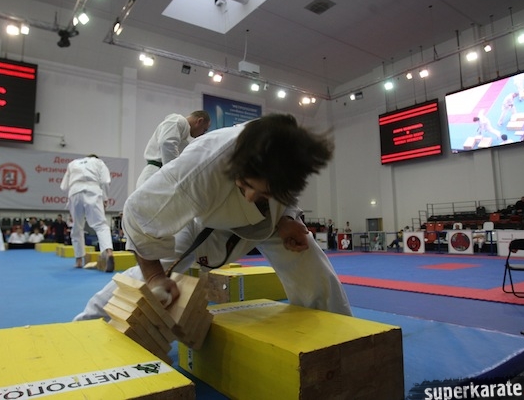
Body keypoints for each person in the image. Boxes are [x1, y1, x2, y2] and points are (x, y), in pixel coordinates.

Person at [75, 113, 351, 322]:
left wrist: (288, 217)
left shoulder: (289, 154)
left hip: (268, 221)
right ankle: (88, 322)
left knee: (309, 258)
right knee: (157, 271)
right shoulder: (199, 169)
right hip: (205, 218)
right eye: (246, 185)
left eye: (263, 192)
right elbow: (137, 216)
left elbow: (286, 194)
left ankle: (337, 332)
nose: (250, 196)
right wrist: (156, 276)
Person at [60, 154, 113, 269]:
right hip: (93, 190)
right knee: (101, 225)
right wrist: (105, 198)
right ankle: (108, 252)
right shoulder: (99, 162)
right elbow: (105, 182)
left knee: (77, 227)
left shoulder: (72, 163)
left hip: (75, 192)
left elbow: (63, 186)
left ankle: (79, 260)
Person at [136, 110, 211, 188]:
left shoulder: (185, 138)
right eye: (204, 130)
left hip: (161, 174)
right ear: (199, 121)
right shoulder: (177, 121)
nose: (202, 134)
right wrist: (174, 174)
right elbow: (167, 143)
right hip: (155, 174)